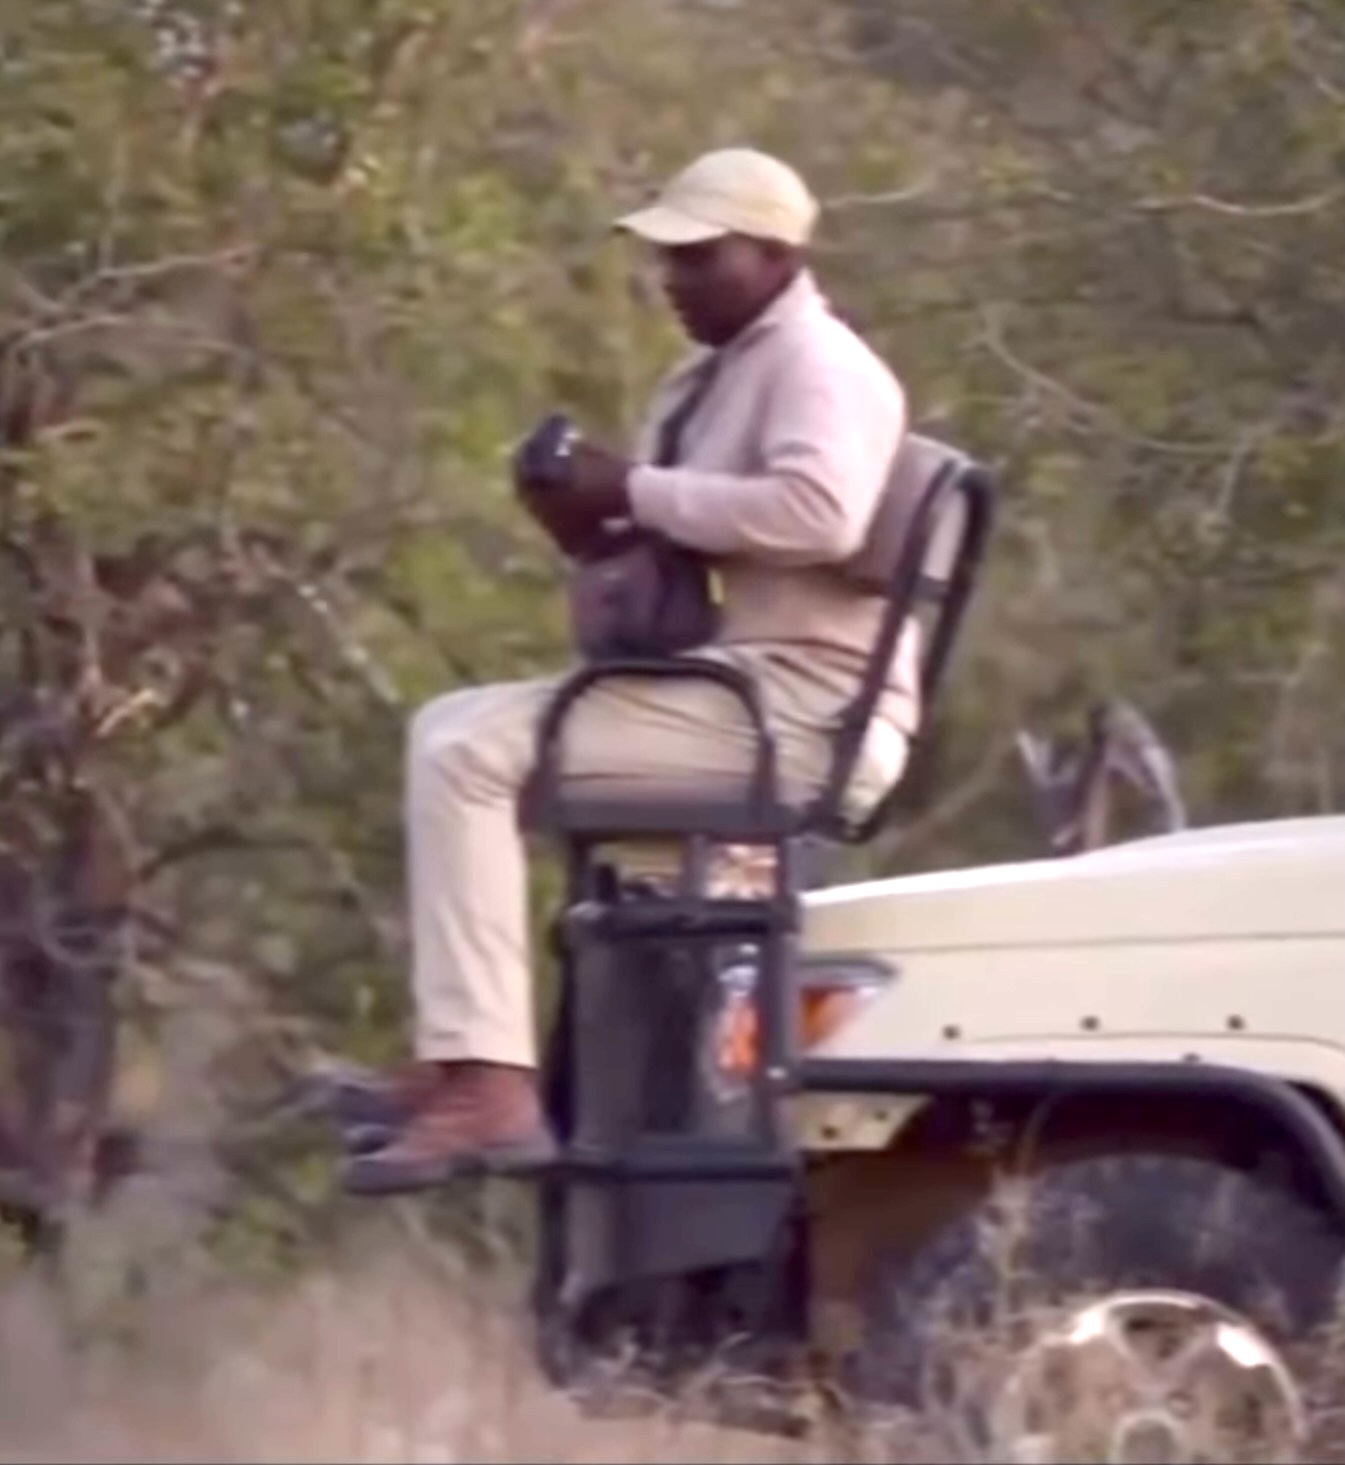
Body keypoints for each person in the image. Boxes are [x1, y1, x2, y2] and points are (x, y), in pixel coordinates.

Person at [337, 147, 915, 1193]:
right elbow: (685, 541)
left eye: (702, 256)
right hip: (736, 691)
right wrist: (587, 511)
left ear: (777, 254)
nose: (675, 279)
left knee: (468, 750)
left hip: (799, 711)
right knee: (446, 726)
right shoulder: (715, 372)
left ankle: (490, 1086)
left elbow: (819, 513)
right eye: (669, 257)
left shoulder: (819, 366)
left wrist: (638, 490)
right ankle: (474, 1060)